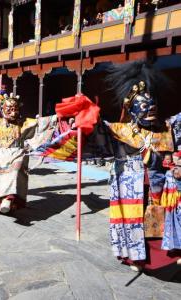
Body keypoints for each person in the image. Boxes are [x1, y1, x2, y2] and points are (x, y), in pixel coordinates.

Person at [88, 61, 181, 278]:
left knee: (157, 220)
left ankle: (166, 253)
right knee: (133, 223)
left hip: (159, 188)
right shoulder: (119, 130)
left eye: (153, 105)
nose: (151, 109)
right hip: (128, 188)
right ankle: (135, 258)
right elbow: (94, 133)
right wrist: (84, 121)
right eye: (144, 106)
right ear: (131, 108)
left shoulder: (166, 129)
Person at [0, 92, 57, 214]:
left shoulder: (24, 122)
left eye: (15, 109)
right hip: (3, 155)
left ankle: (9, 199)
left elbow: (41, 123)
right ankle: (2, 202)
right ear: (2, 109)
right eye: (9, 109)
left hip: (18, 153)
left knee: (15, 173)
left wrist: (59, 117)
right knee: (1, 178)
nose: (13, 112)